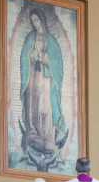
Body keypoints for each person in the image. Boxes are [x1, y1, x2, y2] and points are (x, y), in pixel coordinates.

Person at [20, 8, 68, 156]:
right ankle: (32, 135)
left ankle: (48, 138)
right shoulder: (29, 38)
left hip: (46, 80)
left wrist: (43, 57)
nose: (35, 23)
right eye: (32, 21)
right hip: (33, 78)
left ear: (42, 20)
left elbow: (57, 63)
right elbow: (23, 59)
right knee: (32, 106)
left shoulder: (51, 41)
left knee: (45, 108)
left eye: (37, 20)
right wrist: (31, 55)